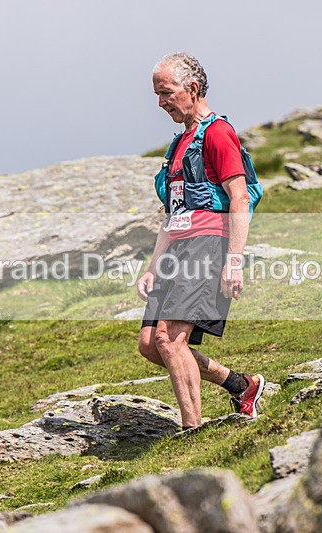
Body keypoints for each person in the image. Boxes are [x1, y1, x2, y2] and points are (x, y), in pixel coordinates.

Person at [137, 52, 265, 430]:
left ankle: (191, 431)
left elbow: (239, 197)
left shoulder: (218, 133)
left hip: (208, 243)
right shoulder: (178, 145)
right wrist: (153, 266)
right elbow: (172, 214)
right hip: (177, 248)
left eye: (166, 93)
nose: (161, 103)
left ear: (192, 89)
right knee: (151, 344)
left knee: (172, 339)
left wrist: (235, 260)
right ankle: (242, 385)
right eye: (157, 95)